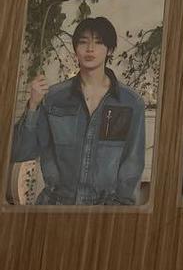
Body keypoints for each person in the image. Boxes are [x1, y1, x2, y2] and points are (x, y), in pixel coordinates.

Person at [10, 17, 146, 205]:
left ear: (110, 50)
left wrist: (119, 212)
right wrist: (33, 105)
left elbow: (132, 165)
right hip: (55, 206)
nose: (90, 49)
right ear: (75, 49)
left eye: (98, 42)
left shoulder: (130, 102)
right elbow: (20, 152)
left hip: (104, 209)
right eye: (83, 42)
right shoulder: (53, 97)